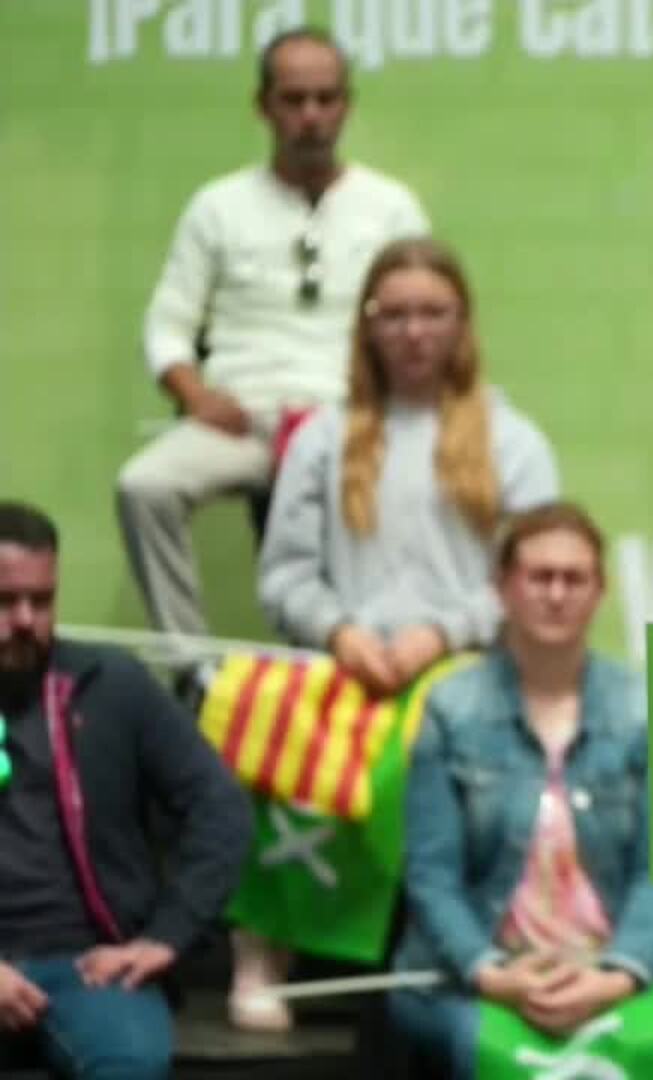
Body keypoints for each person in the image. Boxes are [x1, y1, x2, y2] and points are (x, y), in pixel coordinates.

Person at [243, 236, 560, 1030]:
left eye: (433, 313)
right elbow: (284, 574)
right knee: (261, 711)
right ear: (368, 325)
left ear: (461, 323)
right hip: (347, 661)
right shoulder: (322, 437)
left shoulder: (513, 439)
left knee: (448, 722)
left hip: (464, 667)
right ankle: (262, 954)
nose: (415, 332)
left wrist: (441, 635)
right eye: (396, 315)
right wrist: (340, 632)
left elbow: (536, 571)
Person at [116, 26, 429, 645]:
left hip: (349, 422)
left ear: (347, 104)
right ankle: (194, 667)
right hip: (244, 420)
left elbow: (423, 318)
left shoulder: (390, 207)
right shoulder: (218, 206)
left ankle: (363, 664)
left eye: (325, 98)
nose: (311, 115)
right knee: (144, 487)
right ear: (264, 106)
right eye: (294, 99)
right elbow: (168, 328)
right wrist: (197, 397)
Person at [391, 502, 653, 1077]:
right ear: (502, 587)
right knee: (472, 1042)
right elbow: (431, 877)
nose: (557, 594)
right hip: (480, 972)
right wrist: (493, 974)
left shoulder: (646, 708)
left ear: (600, 591)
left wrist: (616, 977)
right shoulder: (449, 709)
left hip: (618, 965)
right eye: (539, 576)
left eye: (575, 578)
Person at [0, 501, 252, 1078]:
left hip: (88, 965)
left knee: (132, 1062)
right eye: (5, 601)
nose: (26, 619)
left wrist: (168, 935)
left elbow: (221, 808)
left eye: (42, 600)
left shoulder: (112, 686)